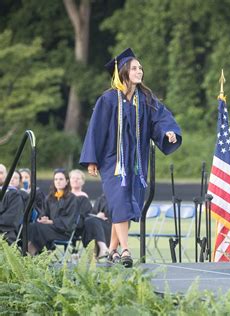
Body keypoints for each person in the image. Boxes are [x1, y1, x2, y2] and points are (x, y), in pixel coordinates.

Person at [80, 48, 182, 267]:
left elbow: (161, 119)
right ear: (123, 72)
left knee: (126, 203)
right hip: (111, 162)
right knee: (120, 201)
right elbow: (95, 129)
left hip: (136, 162)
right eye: (134, 68)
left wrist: (168, 132)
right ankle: (126, 250)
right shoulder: (108, 99)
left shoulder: (145, 98)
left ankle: (113, 250)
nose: (140, 71)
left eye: (140, 68)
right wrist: (92, 159)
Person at [27, 169, 79, 255]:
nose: (58, 182)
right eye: (56, 179)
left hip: (63, 232)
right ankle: (39, 253)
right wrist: (43, 218)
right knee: (32, 226)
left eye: (61, 179)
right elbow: (44, 213)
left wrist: (51, 221)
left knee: (39, 228)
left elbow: (69, 221)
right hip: (49, 228)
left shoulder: (72, 199)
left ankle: (31, 253)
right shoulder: (50, 198)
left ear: (67, 181)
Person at [0, 164, 24, 245]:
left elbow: (11, 219)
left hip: (6, 232)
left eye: (1, 173)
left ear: (6, 175)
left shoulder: (14, 195)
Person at [83, 193, 112, 259]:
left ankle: (96, 253)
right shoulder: (102, 198)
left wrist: (106, 215)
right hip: (97, 227)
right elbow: (93, 213)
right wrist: (98, 217)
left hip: (112, 227)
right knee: (90, 221)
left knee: (92, 221)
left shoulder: (120, 197)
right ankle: (102, 249)